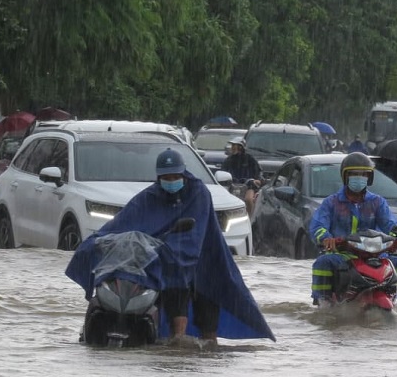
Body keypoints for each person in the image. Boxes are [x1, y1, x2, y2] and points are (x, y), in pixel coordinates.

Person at [65, 148, 274, 346]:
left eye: (175, 177)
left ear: (183, 174)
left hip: (207, 264)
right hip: (171, 263)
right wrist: (97, 242)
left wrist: (165, 250)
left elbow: (194, 236)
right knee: (175, 305)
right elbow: (123, 223)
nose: (171, 181)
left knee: (208, 328)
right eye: (166, 178)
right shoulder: (151, 197)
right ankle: (175, 346)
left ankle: (203, 352)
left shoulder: (198, 193)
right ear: (158, 178)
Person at [309, 152, 397, 305]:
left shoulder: (377, 202)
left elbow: (391, 223)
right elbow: (318, 226)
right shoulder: (331, 202)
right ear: (345, 177)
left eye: (363, 174)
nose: (359, 178)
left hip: (375, 254)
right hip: (343, 253)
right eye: (354, 174)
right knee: (322, 262)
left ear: (369, 178)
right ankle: (323, 301)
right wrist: (326, 239)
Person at [219, 136, 264, 215]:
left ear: (241, 147)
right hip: (232, 186)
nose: (232, 148)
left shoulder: (250, 159)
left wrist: (257, 180)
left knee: (249, 199)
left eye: (234, 145)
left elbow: (258, 172)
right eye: (232, 145)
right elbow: (222, 171)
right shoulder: (228, 160)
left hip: (248, 186)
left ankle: (250, 219)